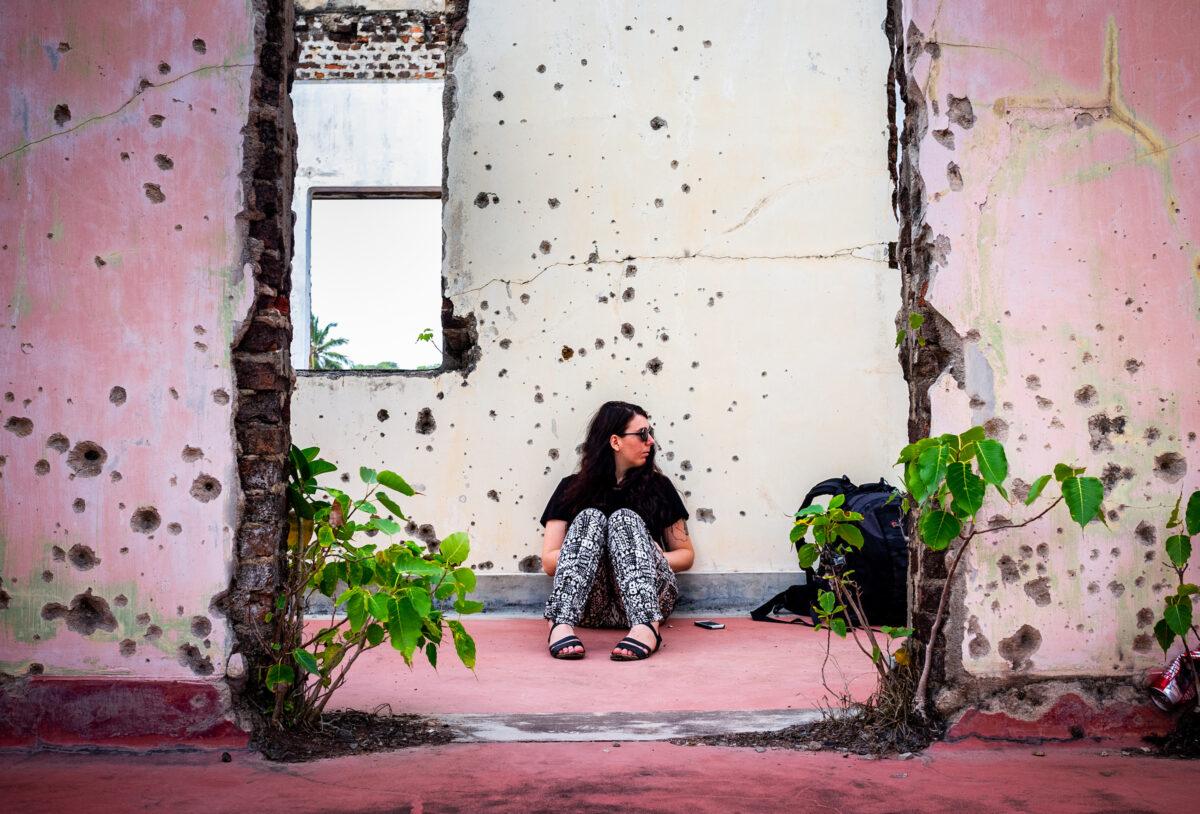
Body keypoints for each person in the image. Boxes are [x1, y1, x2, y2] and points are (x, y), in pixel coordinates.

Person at [539, 400, 694, 660]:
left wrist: (642, 554)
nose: (651, 441)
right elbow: (548, 560)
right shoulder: (569, 489)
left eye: (651, 433)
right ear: (615, 441)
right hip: (589, 606)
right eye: (642, 434)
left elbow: (686, 555)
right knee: (590, 518)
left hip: (648, 602)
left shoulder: (660, 487)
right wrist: (592, 551)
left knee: (624, 520)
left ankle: (646, 627)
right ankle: (560, 623)